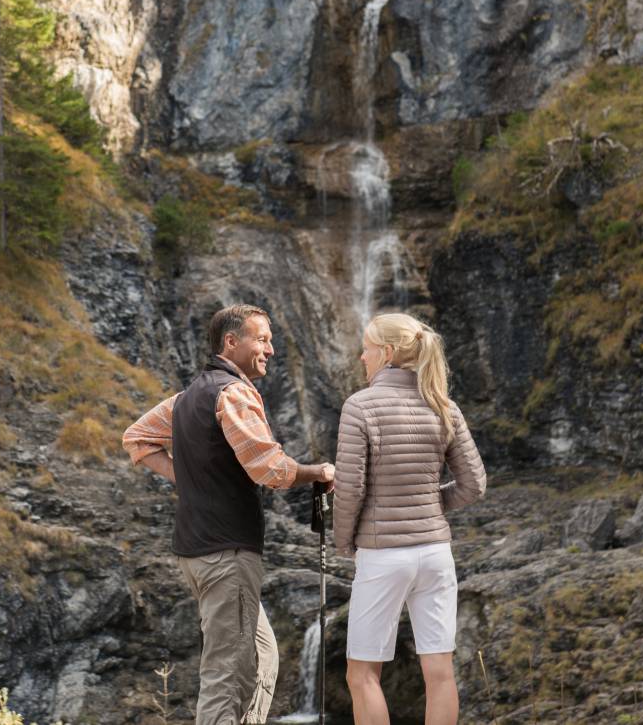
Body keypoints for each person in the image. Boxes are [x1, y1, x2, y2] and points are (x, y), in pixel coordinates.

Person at [123, 304, 336, 725]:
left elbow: (137, 438)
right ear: (231, 342)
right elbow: (269, 468)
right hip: (228, 555)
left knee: (261, 657)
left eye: (270, 340)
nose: (270, 349)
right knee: (228, 672)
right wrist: (319, 472)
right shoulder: (233, 393)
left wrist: (188, 479)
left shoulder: (187, 398)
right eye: (261, 339)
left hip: (197, 553)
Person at [332, 312, 486, 725]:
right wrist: (428, 506)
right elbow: (474, 485)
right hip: (436, 553)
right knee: (439, 672)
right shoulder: (443, 405)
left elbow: (349, 490)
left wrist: (344, 541)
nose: (361, 356)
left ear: (386, 352)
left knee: (362, 673)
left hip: (383, 555)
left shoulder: (360, 406)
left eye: (366, 348)